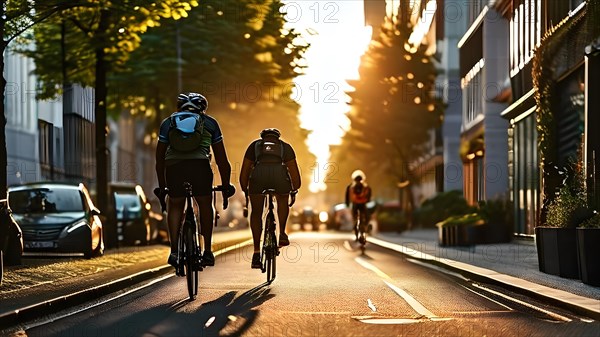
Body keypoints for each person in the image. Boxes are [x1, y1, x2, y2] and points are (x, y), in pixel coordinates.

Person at [155, 92, 234, 269]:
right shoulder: (210, 123)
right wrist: (226, 185)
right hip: (200, 167)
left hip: (174, 167)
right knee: (205, 203)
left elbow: (159, 159)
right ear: (203, 109)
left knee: (175, 204)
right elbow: (222, 161)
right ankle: (207, 251)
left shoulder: (168, 123)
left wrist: (162, 187)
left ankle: (174, 251)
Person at [239, 128, 301, 269]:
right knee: (282, 200)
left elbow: (245, 171)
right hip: (279, 179)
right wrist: (294, 189)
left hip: (258, 179)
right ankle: (283, 233)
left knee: (256, 212)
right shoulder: (285, 147)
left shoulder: (254, 146)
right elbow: (294, 173)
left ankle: (256, 252)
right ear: (277, 138)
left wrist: (246, 189)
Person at [345, 169, 372, 242]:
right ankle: (365, 227)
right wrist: (368, 200)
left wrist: (347, 204)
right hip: (362, 204)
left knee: (355, 219)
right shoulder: (366, 187)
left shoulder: (350, 187)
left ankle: (357, 231)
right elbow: (369, 195)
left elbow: (347, 197)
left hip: (356, 205)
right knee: (366, 217)